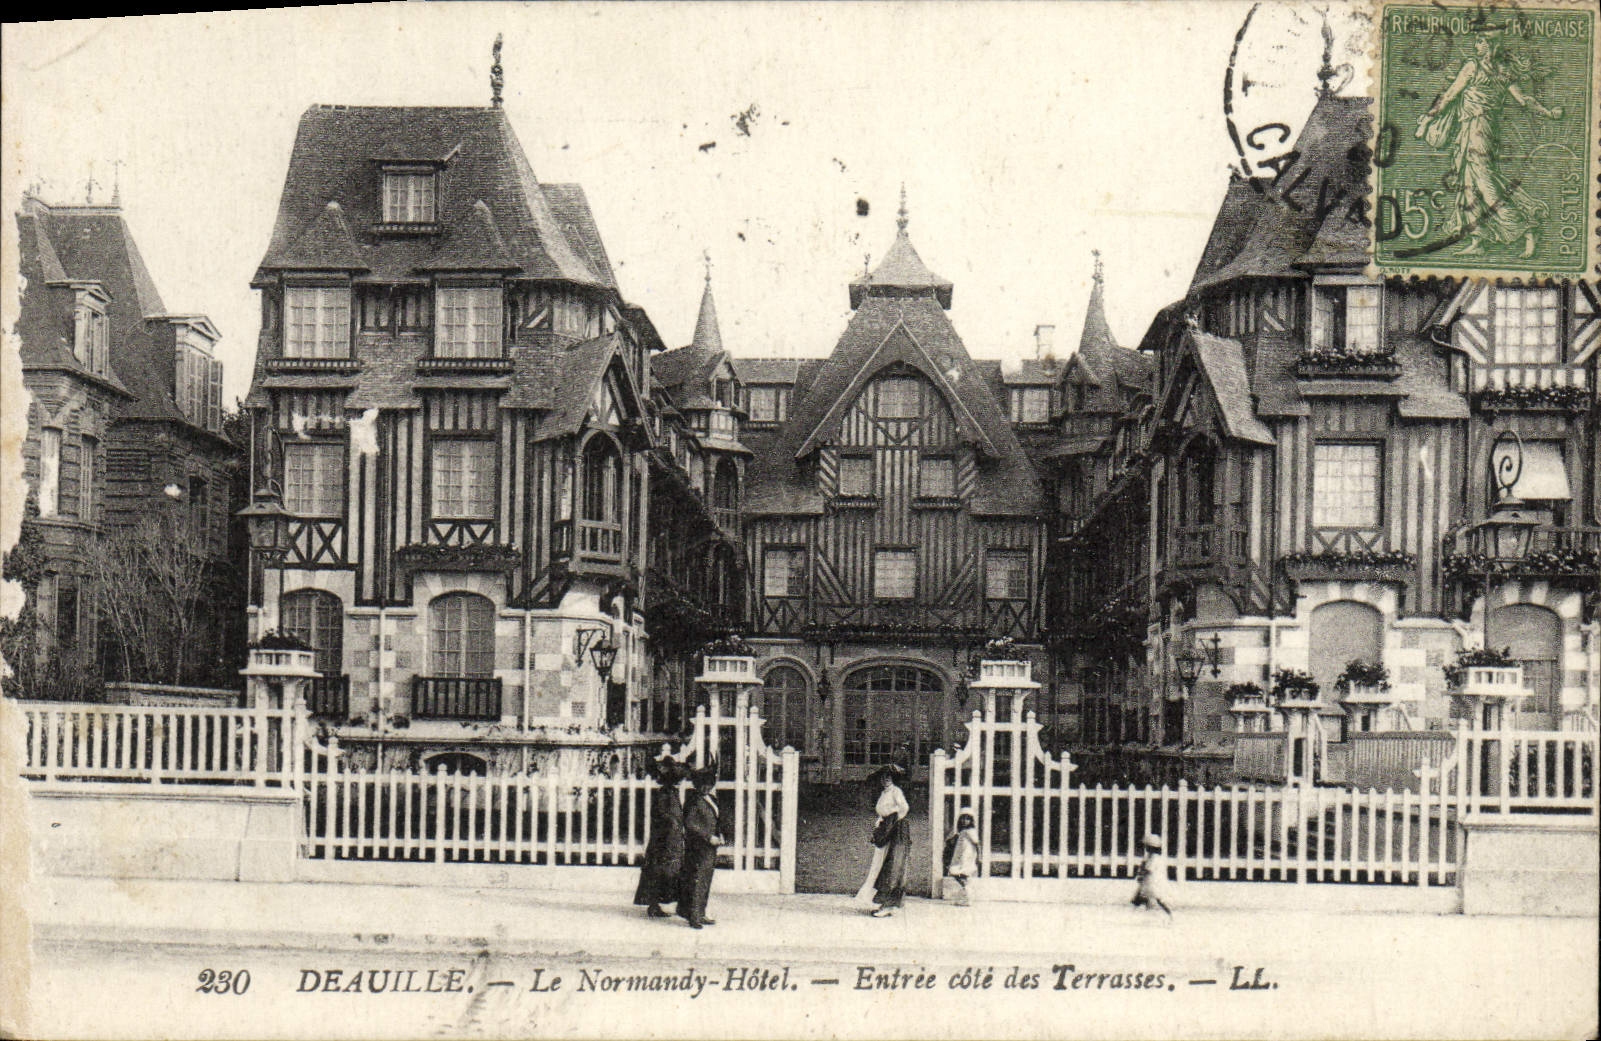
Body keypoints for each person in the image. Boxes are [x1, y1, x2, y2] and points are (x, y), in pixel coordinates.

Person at [1414, 31, 1563, 258]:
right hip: (1476, 131)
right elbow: (1525, 100)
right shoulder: (1503, 72)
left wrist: (1428, 117)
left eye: (1481, 41)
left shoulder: (1473, 67)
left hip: (1479, 130)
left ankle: (1527, 228)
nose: (1477, 45)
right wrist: (1549, 113)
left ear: (1491, 45)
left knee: (1485, 185)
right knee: (1468, 184)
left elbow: (1450, 95)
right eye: (1477, 41)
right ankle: (1479, 239)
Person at [632, 754, 685, 919]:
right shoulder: (665, 794)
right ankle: (654, 905)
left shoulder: (670, 793)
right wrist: (674, 826)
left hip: (669, 837)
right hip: (664, 838)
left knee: (663, 870)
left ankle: (657, 904)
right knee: (659, 870)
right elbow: (664, 815)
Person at [854, 764, 910, 918]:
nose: (885, 780)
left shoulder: (896, 791)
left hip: (894, 832)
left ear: (893, 778)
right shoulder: (884, 793)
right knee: (878, 864)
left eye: (888, 777)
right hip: (886, 830)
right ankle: (881, 902)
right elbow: (882, 812)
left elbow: (904, 808)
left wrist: (892, 822)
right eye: (883, 777)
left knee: (892, 865)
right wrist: (882, 822)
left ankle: (888, 904)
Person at [676, 760, 724, 929]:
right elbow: (689, 823)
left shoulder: (711, 799)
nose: (706, 788)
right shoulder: (694, 801)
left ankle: (701, 912)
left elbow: (717, 820)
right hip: (698, 846)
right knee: (696, 880)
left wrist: (720, 834)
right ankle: (693, 915)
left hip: (710, 847)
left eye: (709, 784)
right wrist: (708, 836)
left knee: (705, 879)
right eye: (703, 784)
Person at [942, 809, 980, 906]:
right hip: (960, 856)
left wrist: (979, 856)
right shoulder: (963, 832)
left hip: (966, 857)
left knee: (961, 874)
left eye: (967, 819)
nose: (964, 821)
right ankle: (965, 894)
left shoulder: (971, 831)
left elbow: (977, 844)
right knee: (957, 873)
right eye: (963, 818)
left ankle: (967, 894)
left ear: (971, 821)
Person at [1131, 833, 1173, 919]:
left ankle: (1168, 914)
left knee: (1156, 898)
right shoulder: (1150, 857)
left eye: (1147, 846)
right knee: (1143, 896)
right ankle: (1139, 912)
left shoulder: (1154, 858)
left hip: (1153, 882)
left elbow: (1148, 869)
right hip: (1149, 882)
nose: (1145, 848)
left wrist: (1141, 874)